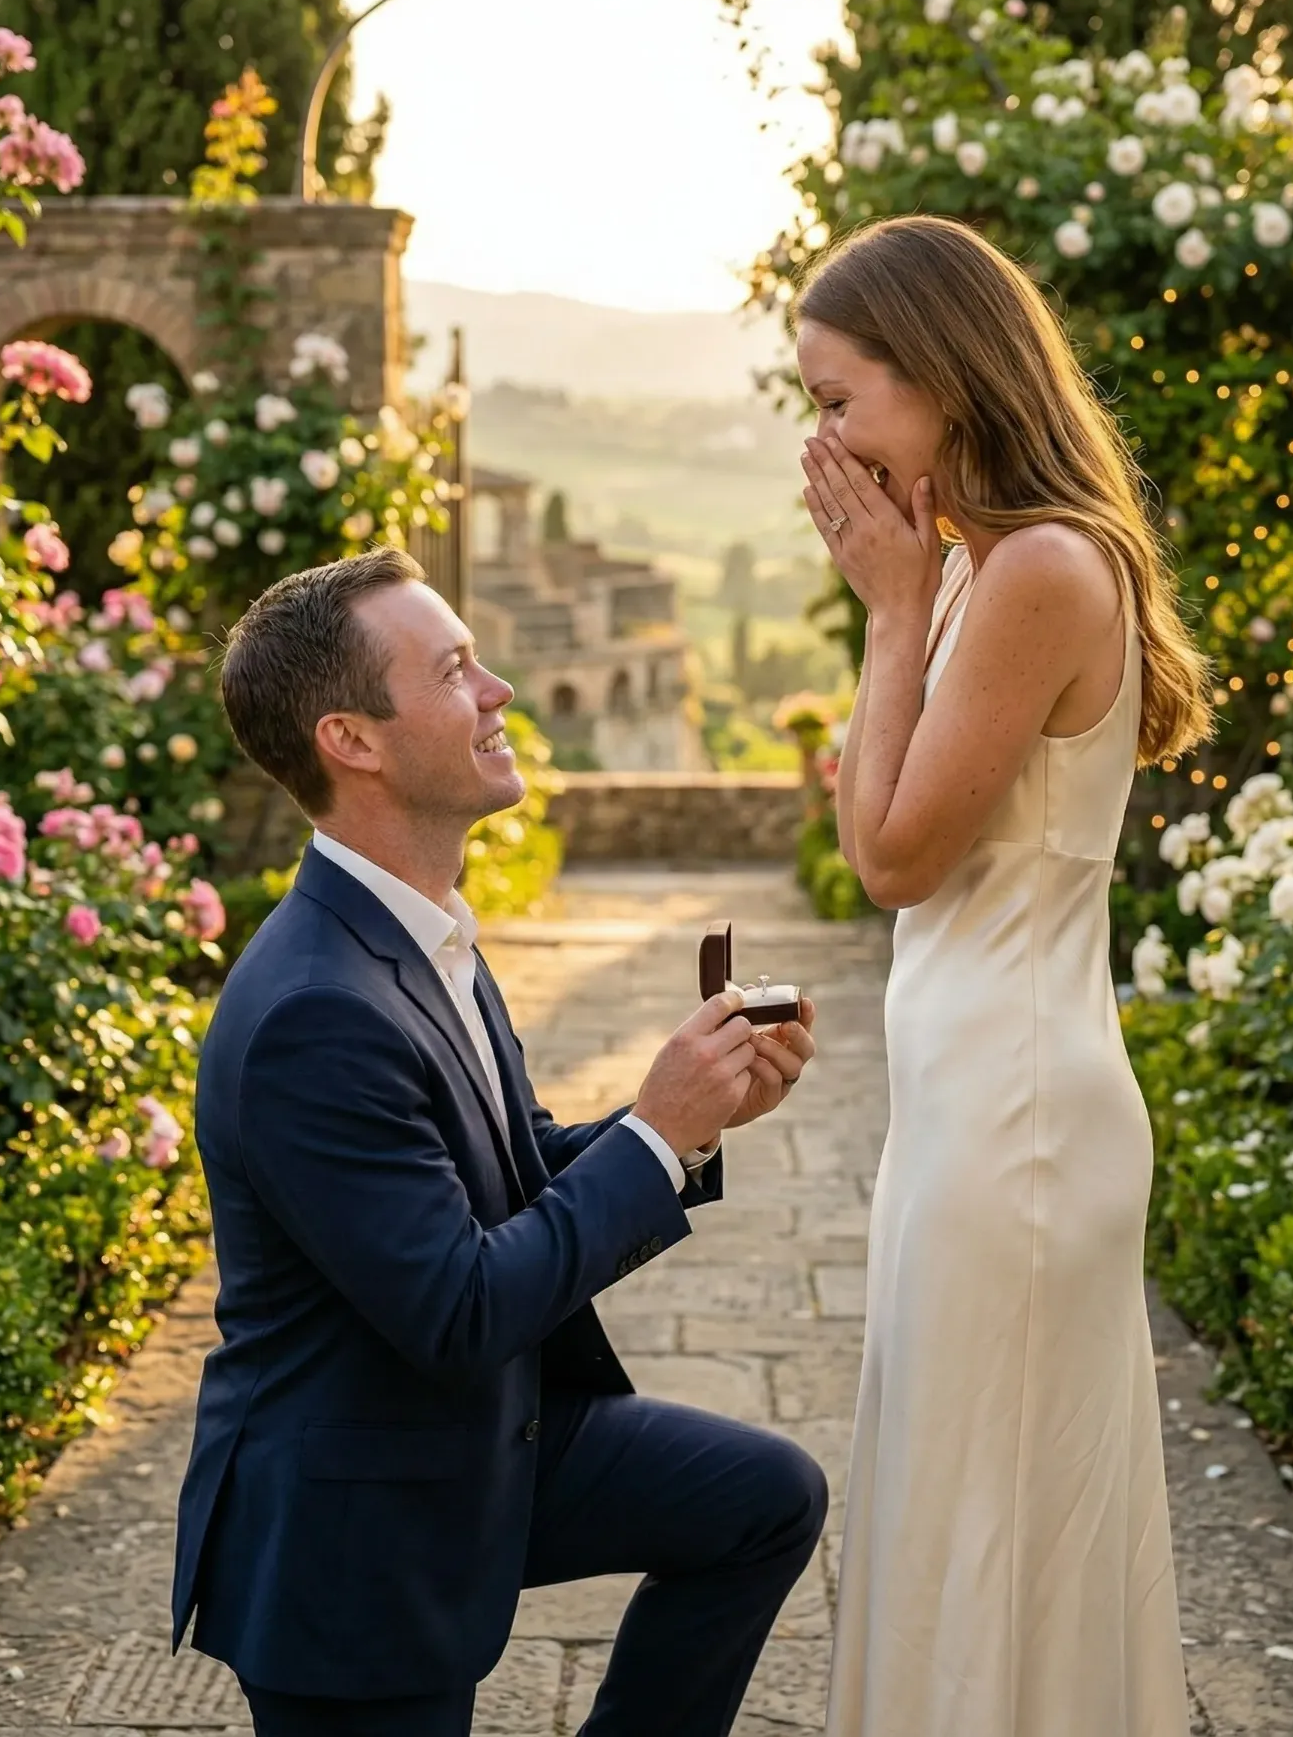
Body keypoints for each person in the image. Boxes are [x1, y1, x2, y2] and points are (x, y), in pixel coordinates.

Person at [171, 547, 827, 1737]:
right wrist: (652, 1135)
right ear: (352, 739)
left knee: (763, 1498)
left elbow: (511, 1166)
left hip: (477, 1435)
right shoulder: (313, 1013)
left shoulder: (418, 931)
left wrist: (692, 1122)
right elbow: (462, 1308)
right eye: (457, 670)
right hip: (354, 1526)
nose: (502, 693)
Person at [795, 215, 1211, 1737]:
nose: (821, 437)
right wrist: (906, 602)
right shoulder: (980, 563)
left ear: (945, 378)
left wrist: (893, 613)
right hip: (972, 1107)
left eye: (840, 398)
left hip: (1020, 1123)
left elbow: (891, 861)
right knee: (959, 1497)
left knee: (992, 1521)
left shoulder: (1036, 566)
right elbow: (875, 847)